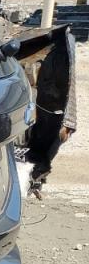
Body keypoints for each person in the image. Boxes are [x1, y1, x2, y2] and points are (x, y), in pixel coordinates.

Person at [27, 24, 78, 199]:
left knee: (44, 142)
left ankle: (35, 178)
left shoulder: (59, 55)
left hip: (51, 108)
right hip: (48, 108)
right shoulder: (60, 52)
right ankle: (34, 178)